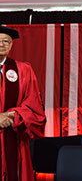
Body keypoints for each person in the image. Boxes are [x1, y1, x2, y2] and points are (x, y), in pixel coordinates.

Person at [0, 25, 46, 181]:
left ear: (11, 45)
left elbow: (35, 110)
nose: (1, 44)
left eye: (6, 41)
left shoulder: (23, 70)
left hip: (14, 141)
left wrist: (14, 116)